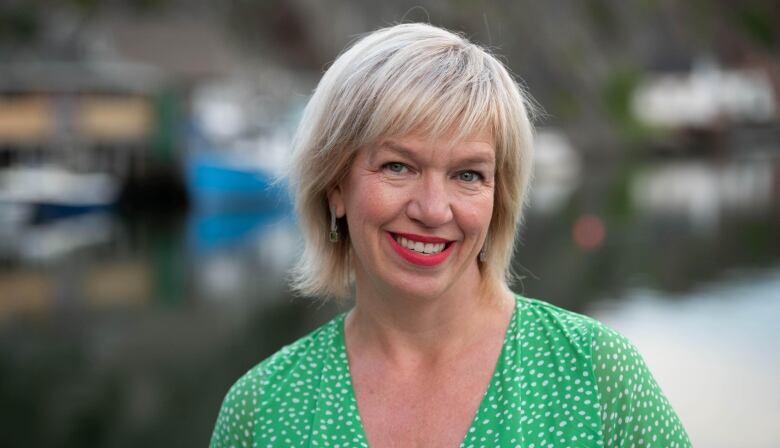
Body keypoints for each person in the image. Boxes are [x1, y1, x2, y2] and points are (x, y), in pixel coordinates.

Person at [210, 23, 691, 447]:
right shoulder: (262, 410)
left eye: (468, 175)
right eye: (398, 166)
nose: (434, 210)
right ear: (335, 186)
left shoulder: (596, 373)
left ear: (498, 198)